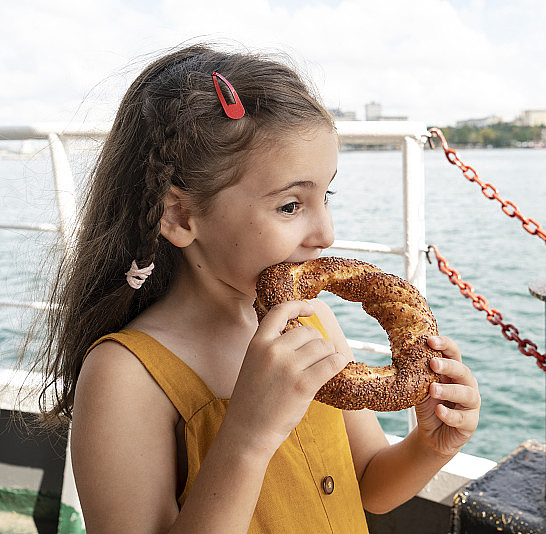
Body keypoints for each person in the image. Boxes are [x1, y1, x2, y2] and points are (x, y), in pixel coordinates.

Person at [31, 43, 480, 533]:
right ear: (179, 215)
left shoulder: (313, 322)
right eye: (290, 205)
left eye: (325, 195)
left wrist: (429, 447)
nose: (326, 234)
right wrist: (248, 434)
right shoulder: (125, 375)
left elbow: (369, 484)